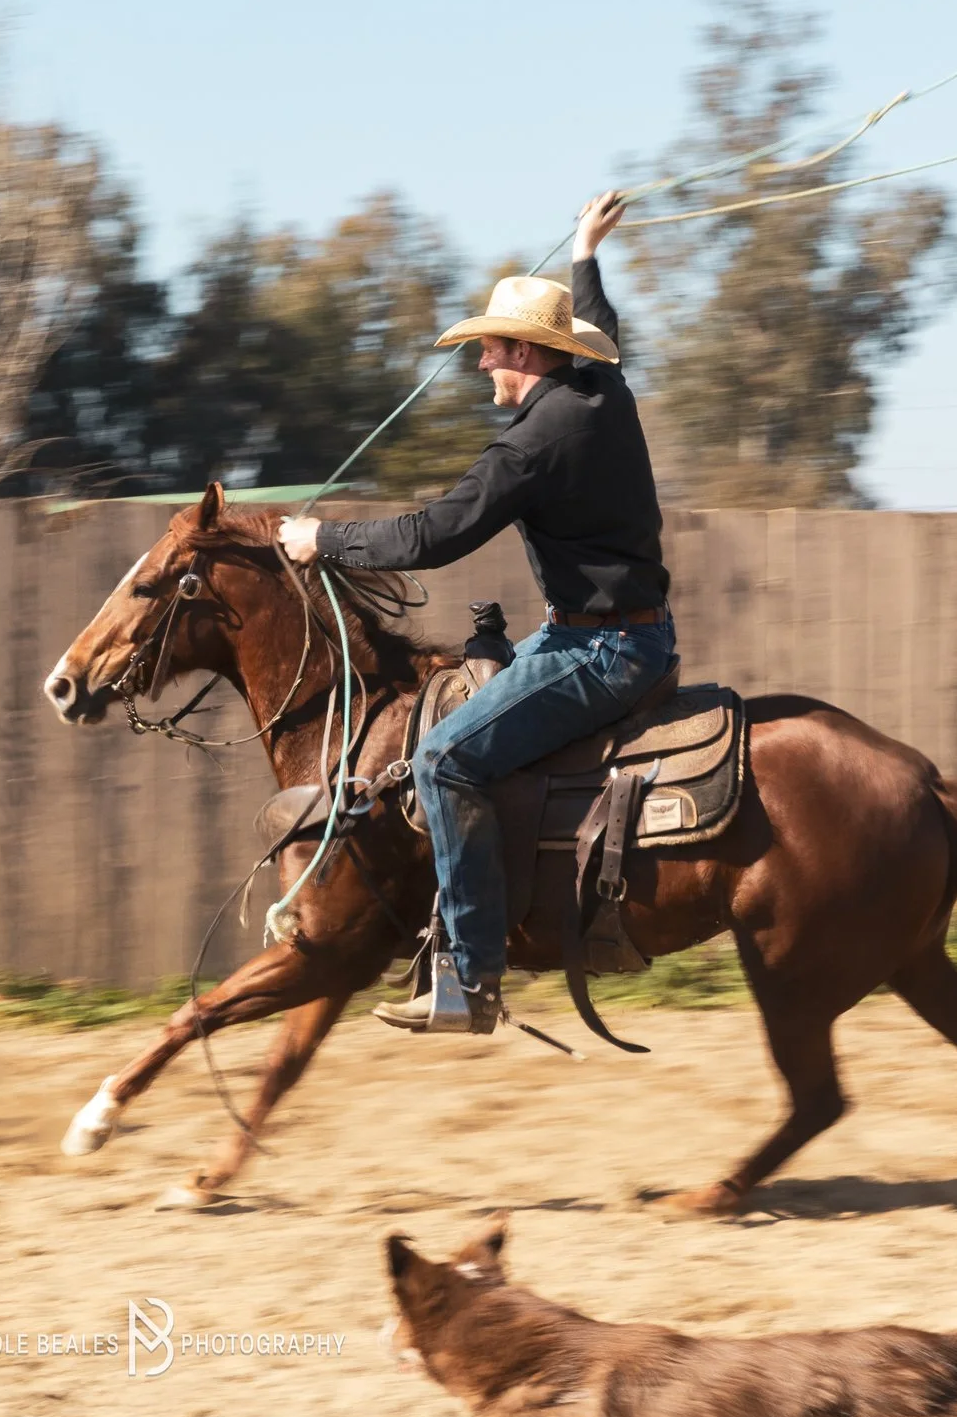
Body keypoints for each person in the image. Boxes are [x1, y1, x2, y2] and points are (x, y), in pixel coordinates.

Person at [277, 191, 674, 1033]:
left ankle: (468, 976)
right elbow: (605, 333)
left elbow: (435, 533)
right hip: (602, 633)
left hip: (602, 650)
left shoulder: (536, 441)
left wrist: (324, 541)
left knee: (445, 760)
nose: (482, 359)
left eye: (490, 346)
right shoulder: (600, 391)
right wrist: (586, 253)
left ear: (526, 351)